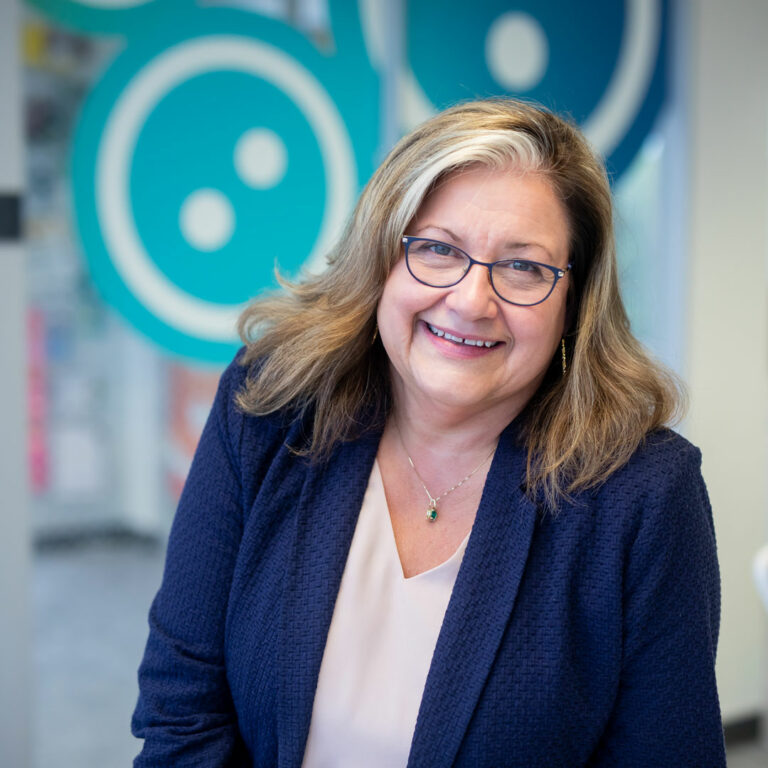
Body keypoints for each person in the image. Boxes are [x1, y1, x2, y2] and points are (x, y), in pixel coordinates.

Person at [132, 98, 725, 767]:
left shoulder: (643, 495)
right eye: (438, 250)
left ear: (574, 302)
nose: (473, 300)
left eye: (524, 267)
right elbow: (182, 708)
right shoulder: (270, 403)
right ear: (381, 259)